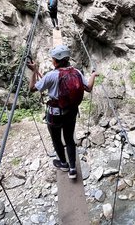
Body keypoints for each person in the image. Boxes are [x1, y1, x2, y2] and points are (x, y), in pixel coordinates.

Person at [27, 45, 98, 179]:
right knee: (69, 139)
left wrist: (33, 71)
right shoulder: (77, 72)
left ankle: (63, 163)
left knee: (57, 140)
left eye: (53, 59)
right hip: (71, 113)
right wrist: (93, 75)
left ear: (56, 60)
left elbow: (32, 89)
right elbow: (88, 88)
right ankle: (72, 169)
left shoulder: (51, 75)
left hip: (55, 115)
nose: (52, 61)